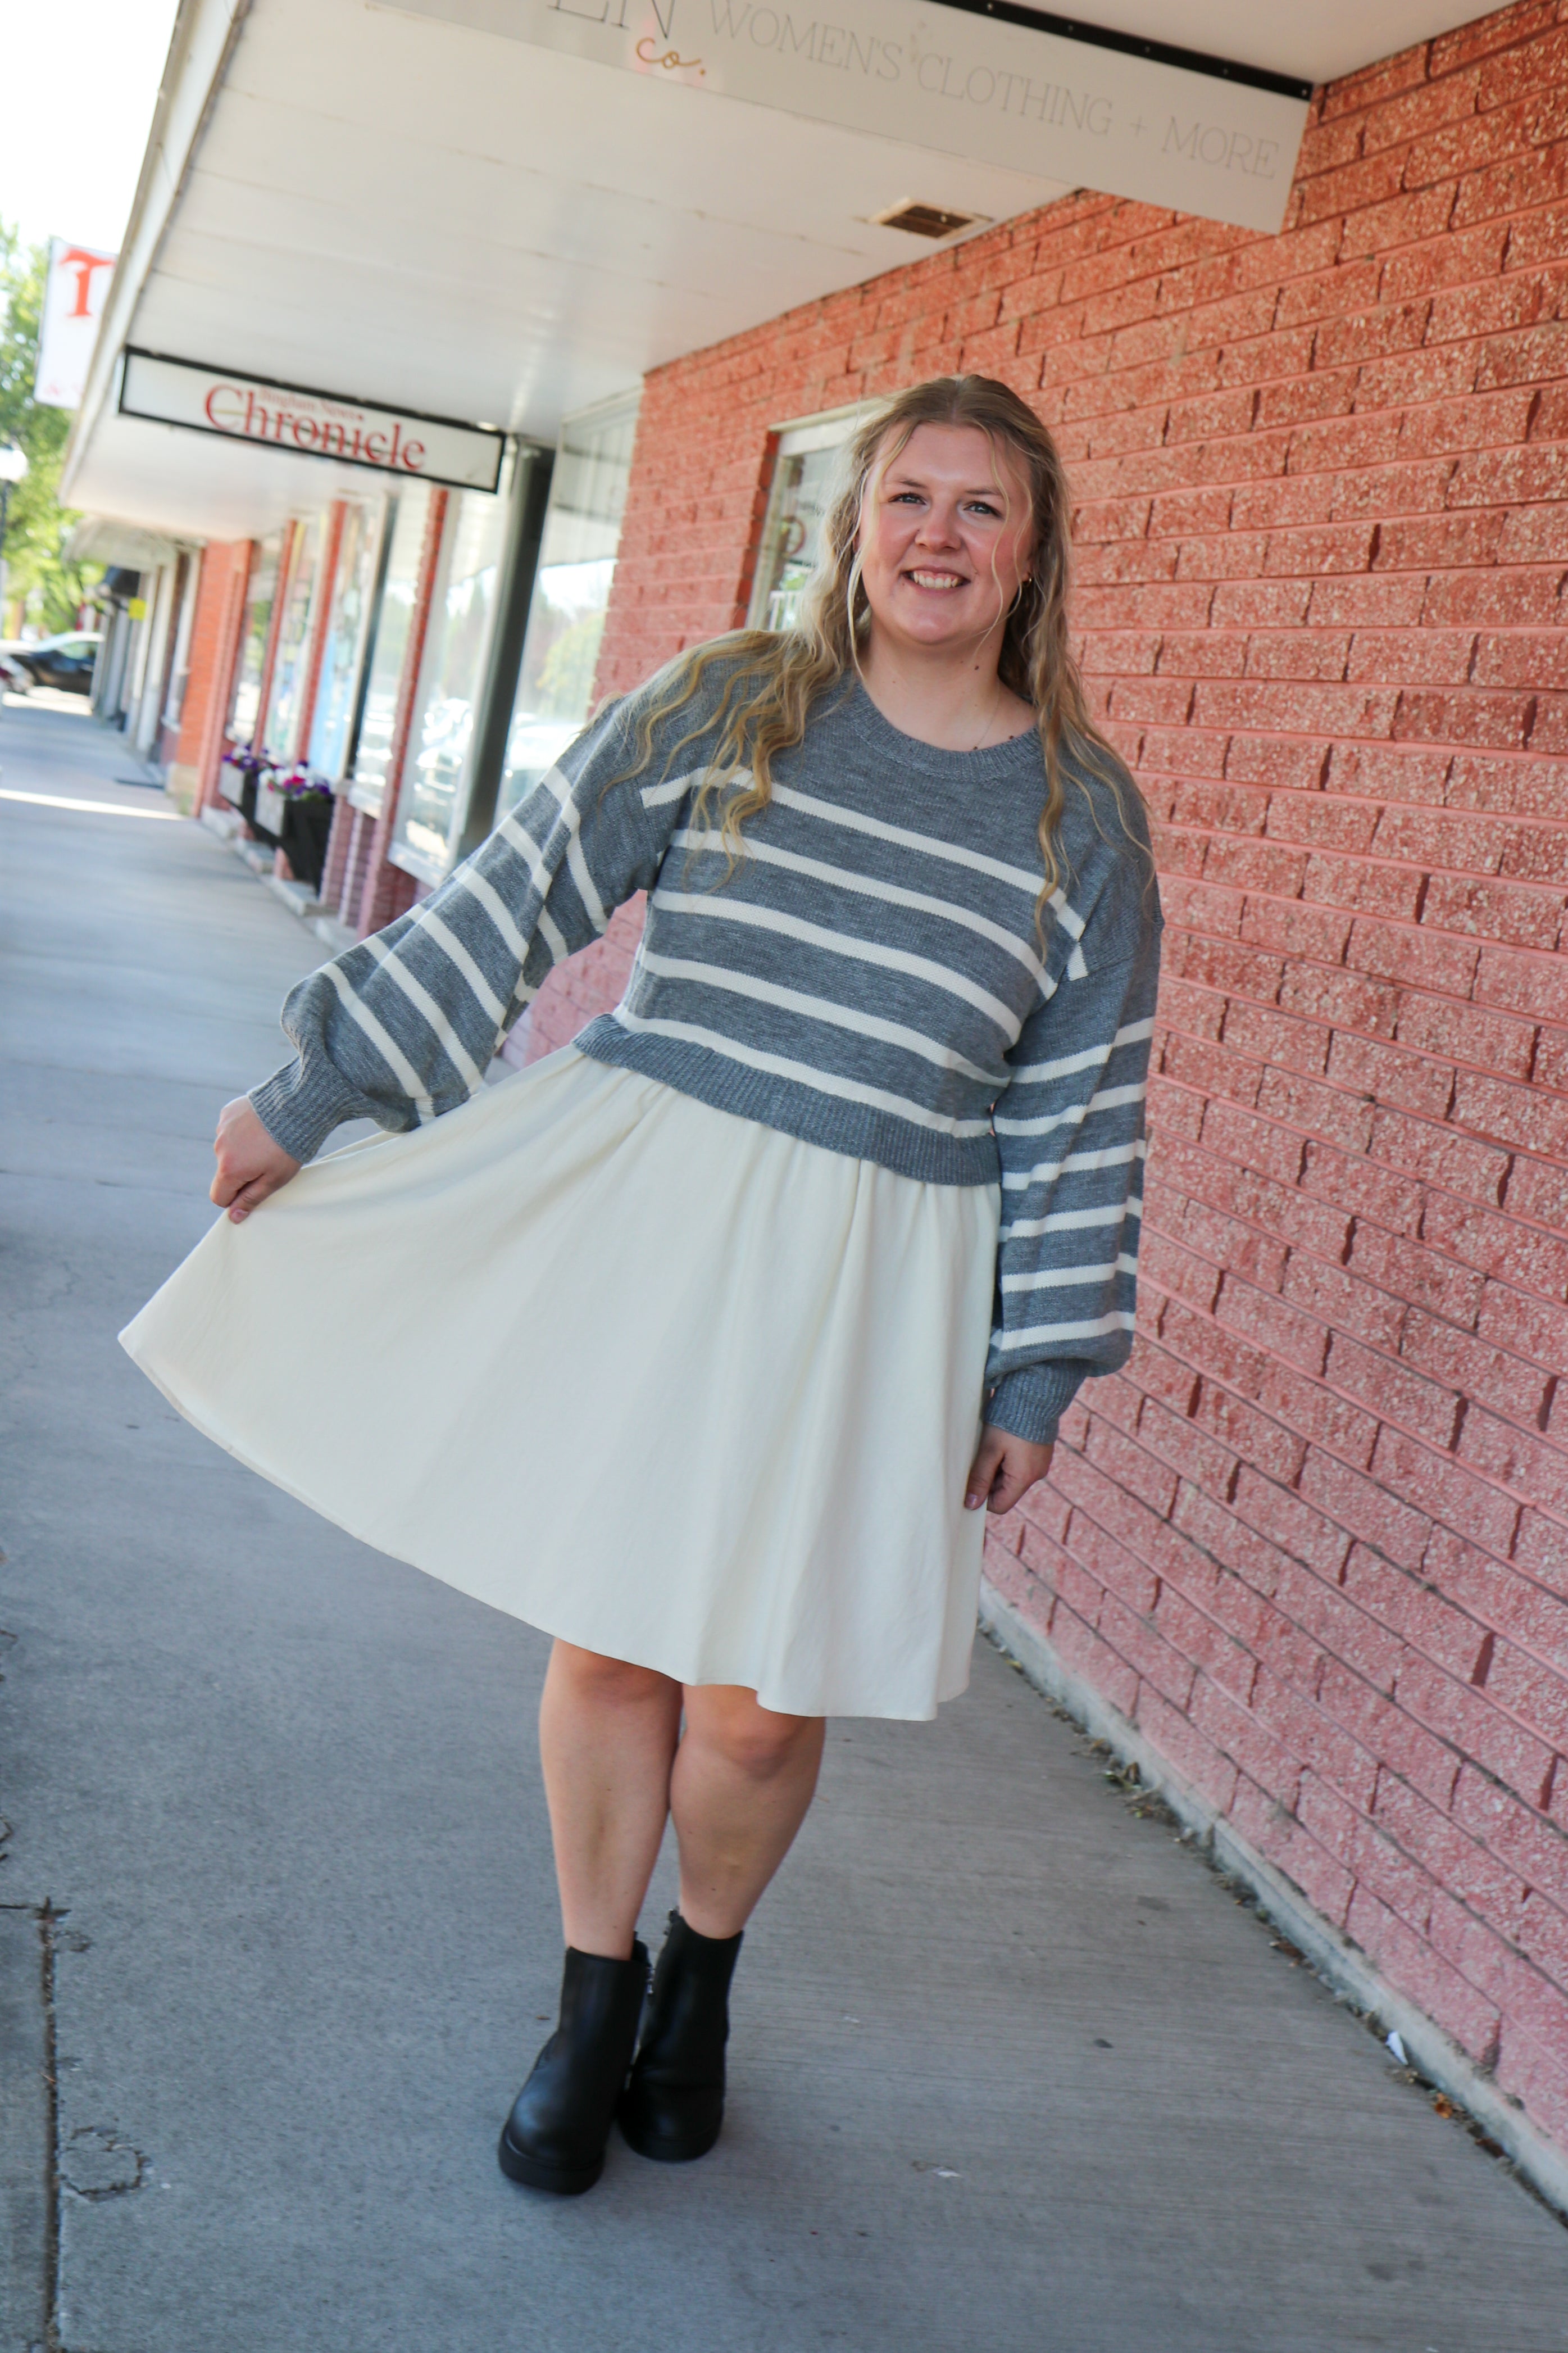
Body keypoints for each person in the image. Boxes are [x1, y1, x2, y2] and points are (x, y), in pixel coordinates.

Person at [122, 373, 1161, 2198]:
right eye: (908, 494)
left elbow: (1081, 1112)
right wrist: (314, 1091)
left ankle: (702, 1986)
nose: (937, 533)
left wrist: (1035, 1372)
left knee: (764, 1693)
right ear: (855, 527)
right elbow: (517, 893)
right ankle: (590, 2006)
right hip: (656, 1226)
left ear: (1032, 554)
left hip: (878, 1282)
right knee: (613, 1640)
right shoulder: (730, 704)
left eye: (981, 505)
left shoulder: (1085, 823)